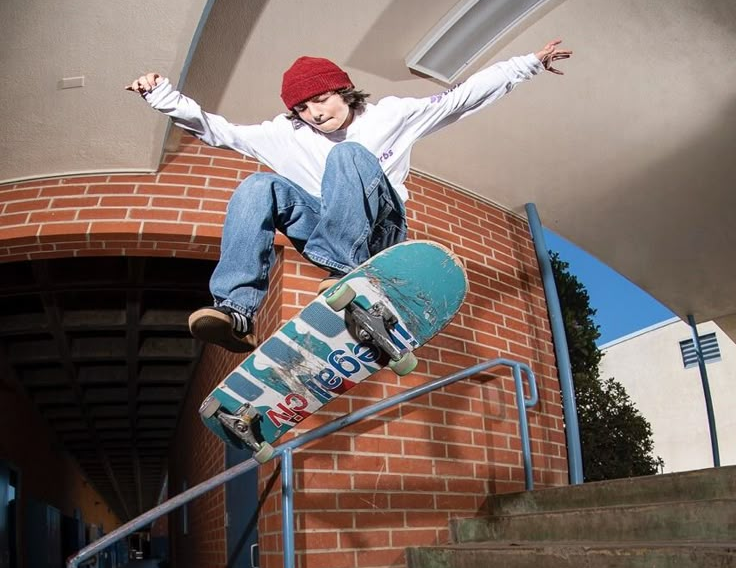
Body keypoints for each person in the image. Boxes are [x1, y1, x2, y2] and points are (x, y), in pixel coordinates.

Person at [126, 41, 570, 353]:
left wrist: (528, 63)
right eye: (303, 109)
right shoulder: (285, 134)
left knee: (349, 155)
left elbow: (461, 99)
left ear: (344, 89)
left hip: (382, 231)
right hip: (327, 230)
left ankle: (347, 271)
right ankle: (237, 310)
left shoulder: (392, 115)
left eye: (322, 100)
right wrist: (162, 96)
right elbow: (216, 130)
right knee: (256, 186)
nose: (316, 114)